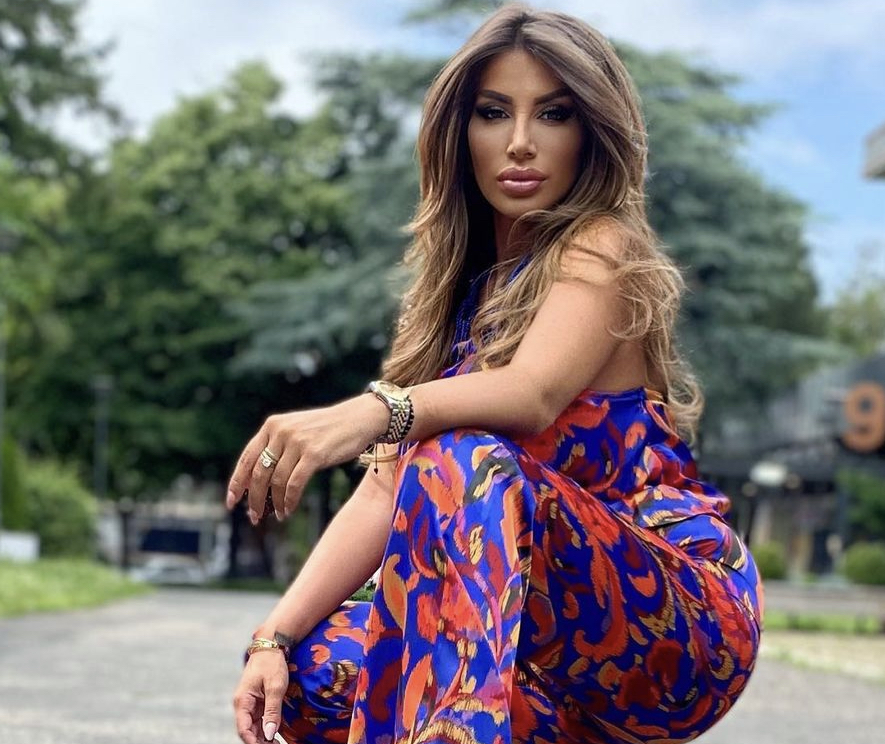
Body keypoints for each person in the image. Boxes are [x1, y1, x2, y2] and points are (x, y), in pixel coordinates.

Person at [224, 4, 762, 743]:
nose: (519, 142)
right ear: (460, 131)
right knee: (316, 675)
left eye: (554, 114)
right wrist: (272, 639)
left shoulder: (603, 246)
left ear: (590, 133)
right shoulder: (456, 299)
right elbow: (383, 490)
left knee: (459, 457)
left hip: (672, 615)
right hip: (535, 632)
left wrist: (372, 411)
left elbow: (531, 394)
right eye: (493, 112)